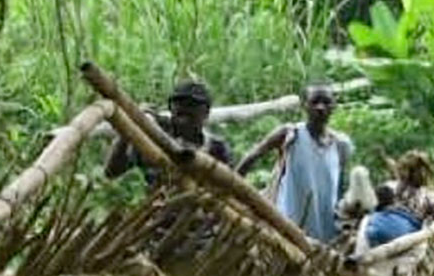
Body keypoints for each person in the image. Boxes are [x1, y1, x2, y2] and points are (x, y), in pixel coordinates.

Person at [238, 83, 355, 246]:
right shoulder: (291, 135)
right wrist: (233, 190)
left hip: (325, 236)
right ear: (304, 105)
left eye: (326, 102)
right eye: (314, 102)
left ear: (334, 105)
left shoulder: (341, 145)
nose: (320, 107)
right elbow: (252, 156)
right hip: (287, 229)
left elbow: (340, 188)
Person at [104, 78, 232, 187]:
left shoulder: (217, 148)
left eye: (192, 105)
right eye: (179, 104)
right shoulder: (152, 139)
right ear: (171, 108)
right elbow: (112, 171)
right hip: (154, 210)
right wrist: (129, 127)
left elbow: (231, 187)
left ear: (206, 113)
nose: (185, 108)